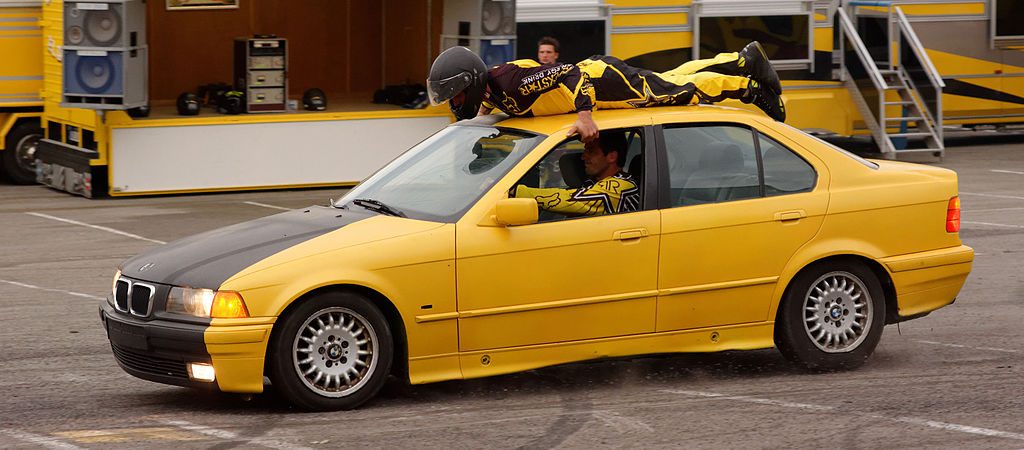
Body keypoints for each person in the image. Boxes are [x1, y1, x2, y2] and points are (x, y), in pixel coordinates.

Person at [426, 41, 784, 143]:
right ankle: (741, 60)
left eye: (456, 95)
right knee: (668, 81)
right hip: (599, 82)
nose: (456, 103)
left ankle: (748, 87)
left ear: (470, 83)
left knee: (680, 92)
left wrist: (584, 115)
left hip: (600, 83)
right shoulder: (491, 94)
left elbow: (568, 73)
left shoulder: (509, 83)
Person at [510, 131, 639, 216]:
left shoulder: (621, 187)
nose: (583, 157)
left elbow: (570, 200)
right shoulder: (593, 183)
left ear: (611, 157)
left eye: (591, 151)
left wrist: (515, 192)